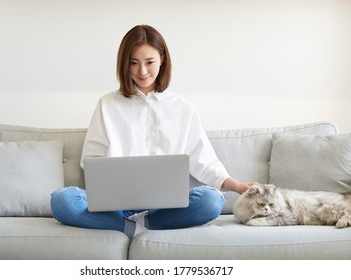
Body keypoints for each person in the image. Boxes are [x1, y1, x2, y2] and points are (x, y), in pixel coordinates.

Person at [51, 24, 253, 238]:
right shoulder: (107, 104)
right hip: (116, 206)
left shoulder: (183, 108)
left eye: (149, 62)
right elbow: (91, 160)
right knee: (61, 201)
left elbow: (203, 161)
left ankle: (137, 224)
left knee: (211, 201)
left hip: (165, 208)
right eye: (134, 63)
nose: (142, 72)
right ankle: (131, 225)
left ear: (162, 60)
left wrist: (236, 185)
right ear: (124, 64)